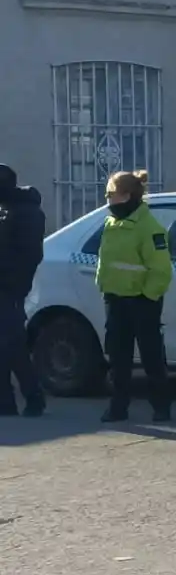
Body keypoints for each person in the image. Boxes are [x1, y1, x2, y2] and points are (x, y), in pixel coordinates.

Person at [96, 170, 173, 423]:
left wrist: (148, 297)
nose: (107, 200)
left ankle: (161, 407)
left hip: (142, 301)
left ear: (127, 196)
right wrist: (105, 286)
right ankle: (118, 408)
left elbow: (161, 270)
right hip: (116, 299)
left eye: (111, 194)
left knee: (151, 357)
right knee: (118, 359)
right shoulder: (112, 224)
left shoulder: (149, 228)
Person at [0, 162, 47, 418]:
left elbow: (30, 255)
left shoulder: (26, 212)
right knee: (9, 346)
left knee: (11, 346)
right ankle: (9, 401)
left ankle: (32, 397)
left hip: (10, 290)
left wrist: (13, 284)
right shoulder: (5, 209)